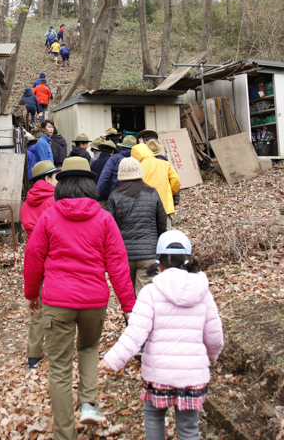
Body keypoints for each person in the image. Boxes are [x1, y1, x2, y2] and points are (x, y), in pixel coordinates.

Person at [24, 157, 136, 440]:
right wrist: (128, 307)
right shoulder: (104, 218)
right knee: (88, 348)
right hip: (94, 301)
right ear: (89, 184)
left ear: (61, 186)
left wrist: (31, 293)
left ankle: (64, 434)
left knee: (60, 368)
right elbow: (118, 264)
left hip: (56, 301)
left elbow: (34, 257)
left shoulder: (49, 216)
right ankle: (88, 402)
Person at [99, 230, 224, 440]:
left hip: (159, 376)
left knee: (153, 416)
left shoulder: (150, 292)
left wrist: (112, 360)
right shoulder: (203, 292)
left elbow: (135, 333)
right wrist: (211, 356)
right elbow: (214, 335)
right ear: (189, 260)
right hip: (192, 377)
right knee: (189, 429)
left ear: (159, 264)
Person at [106, 157, 166, 297]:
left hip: (124, 255)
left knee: (129, 298)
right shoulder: (152, 193)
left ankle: (130, 319)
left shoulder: (114, 196)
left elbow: (109, 229)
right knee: (144, 298)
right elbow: (161, 225)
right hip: (149, 255)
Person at [21, 160, 59, 368]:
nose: (57, 181)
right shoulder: (54, 200)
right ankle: (57, 350)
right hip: (54, 257)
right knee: (60, 306)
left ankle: (34, 354)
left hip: (34, 258)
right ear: (46, 178)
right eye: (55, 177)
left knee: (37, 307)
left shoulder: (25, 205)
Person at [131, 144, 180, 230]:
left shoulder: (137, 168)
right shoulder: (165, 163)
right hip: (165, 205)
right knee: (165, 235)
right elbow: (176, 180)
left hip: (145, 208)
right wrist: (170, 192)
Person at [97, 134, 136, 202]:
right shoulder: (137, 159)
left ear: (122, 147)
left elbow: (104, 176)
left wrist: (96, 194)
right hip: (133, 196)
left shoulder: (114, 158)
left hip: (116, 196)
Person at [147, 139, 181, 208]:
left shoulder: (143, 165)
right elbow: (176, 180)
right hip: (165, 201)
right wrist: (170, 192)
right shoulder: (166, 164)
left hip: (148, 202)